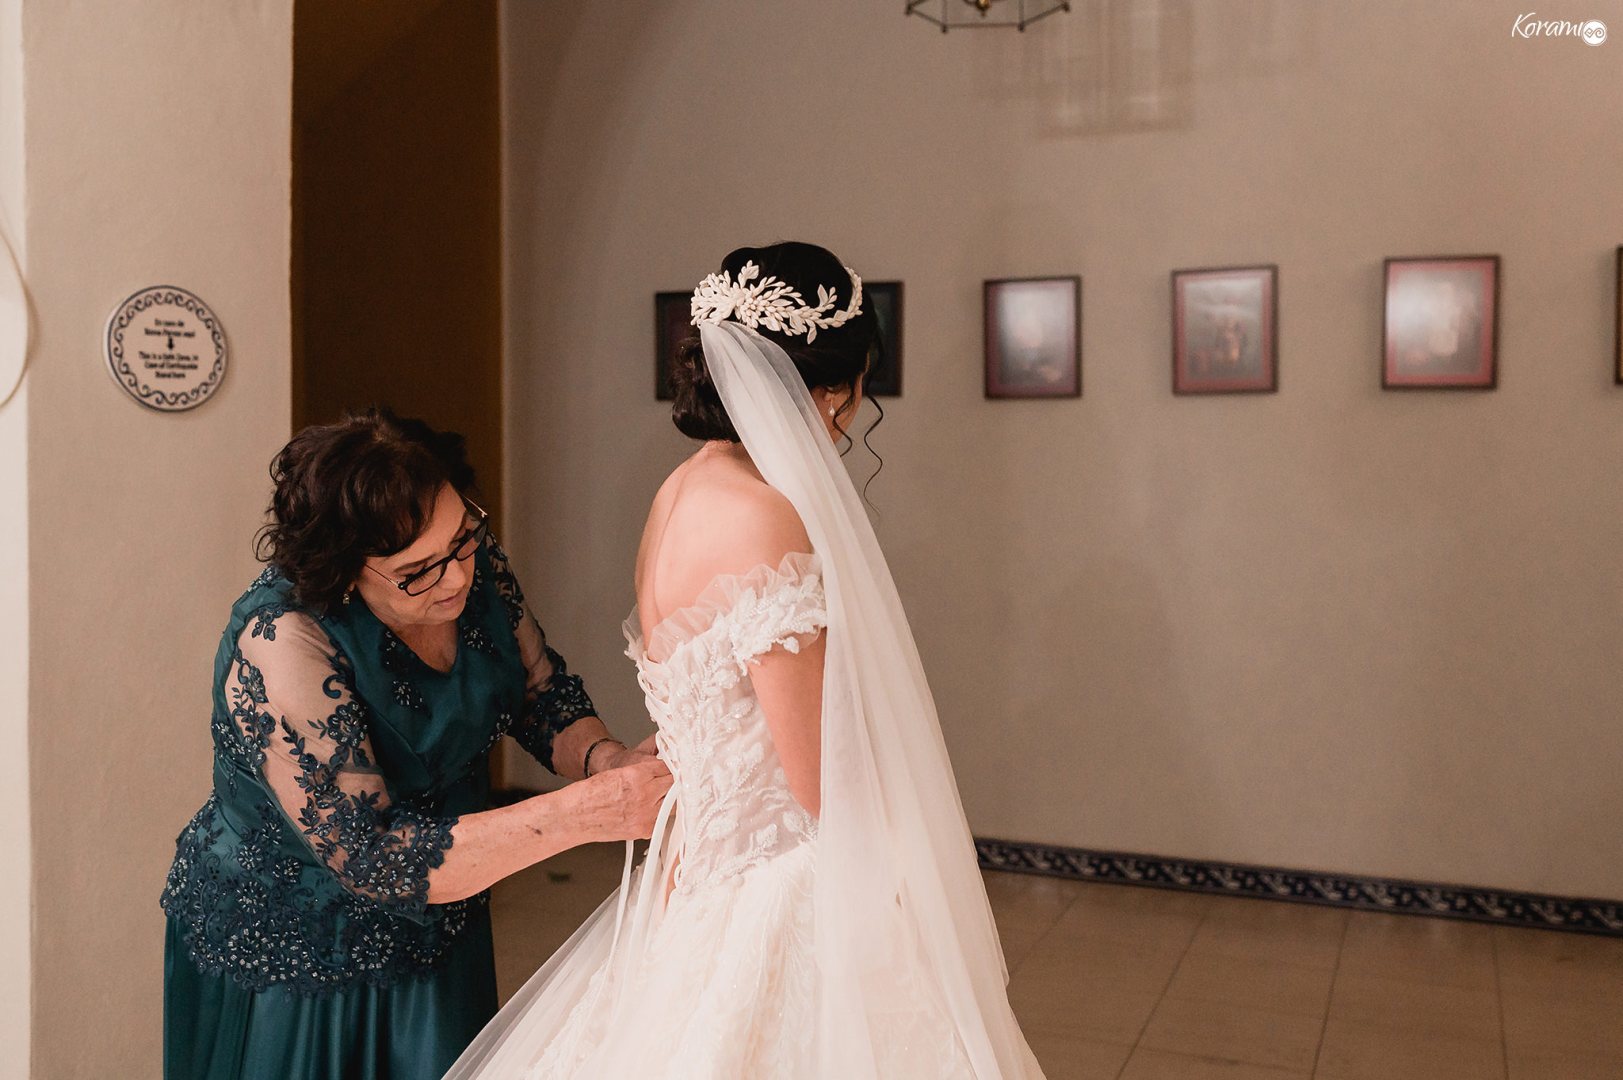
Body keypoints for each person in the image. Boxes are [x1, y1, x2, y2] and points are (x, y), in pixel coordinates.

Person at [445, 242, 1045, 1078]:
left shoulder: (681, 489)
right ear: (831, 390)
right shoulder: (762, 514)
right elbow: (817, 779)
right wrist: (912, 886)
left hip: (699, 868)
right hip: (775, 880)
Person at [159, 410, 672, 1080]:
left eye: (462, 539)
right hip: (307, 949)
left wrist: (607, 759)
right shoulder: (282, 640)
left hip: (449, 902)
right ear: (345, 571)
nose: (455, 577)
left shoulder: (465, 564)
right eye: (417, 571)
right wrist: (589, 813)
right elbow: (373, 858)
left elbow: (537, 694)